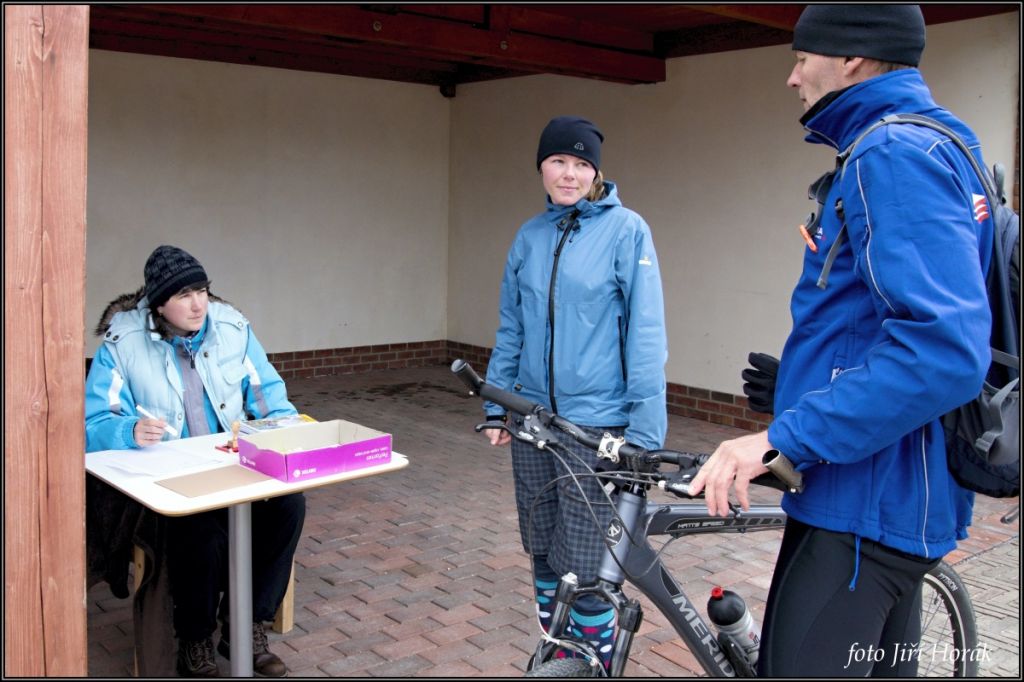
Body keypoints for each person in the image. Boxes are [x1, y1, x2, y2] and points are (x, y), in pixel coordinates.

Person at [690, 5, 993, 676]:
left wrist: (781, 439)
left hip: (866, 504)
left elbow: (943, 351)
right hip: (887, 494)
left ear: (851, 58)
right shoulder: (934, 141)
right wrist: (799, 384)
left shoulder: (891, 153)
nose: (793, 77)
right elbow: (877, 319)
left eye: (803, 58)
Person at [482, 115, 668, 670]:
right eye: (559, 161)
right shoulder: (529, 236)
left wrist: (645, 433)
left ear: (596, 172)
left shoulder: (627, 230)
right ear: (541, 166)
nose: (569, 173)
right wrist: (497, 404)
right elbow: (512, 327)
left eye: (582, 163)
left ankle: (595, 661)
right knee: (541, 546)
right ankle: (559, 649)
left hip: (598, 426)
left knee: (588, 561)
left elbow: (645, 332)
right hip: (533, 421)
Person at [86, 245, 305, 677]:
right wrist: (128, 430)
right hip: (169, 482)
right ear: (158, 304)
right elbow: (95, 422)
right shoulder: (123, 343)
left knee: (288, 506)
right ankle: (195, 638)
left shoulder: (233, 329)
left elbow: (271, 399)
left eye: (202, 291)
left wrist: (283, 429)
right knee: (200, 529)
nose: (198, 304)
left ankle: (246, 626)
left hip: (234, 469)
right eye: (184, 295)